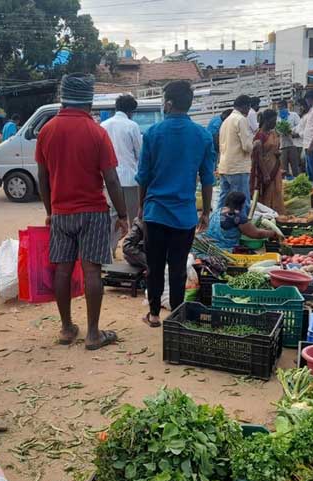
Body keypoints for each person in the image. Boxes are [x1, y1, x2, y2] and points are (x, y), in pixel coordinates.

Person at [35, 73, 128, 350]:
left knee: (62, 271)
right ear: (88, 101)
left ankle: (66, 329)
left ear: (64, 100)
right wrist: (123, 215)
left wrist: (50, 210)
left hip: (62, 212)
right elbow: (111, 178)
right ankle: (92, 334)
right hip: (93, 212)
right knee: (92, 271)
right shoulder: (96, 132)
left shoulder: (47, 131)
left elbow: (42, 176)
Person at [137, 80, 215, 328]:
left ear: (168, 104)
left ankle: (153, 315)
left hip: (156, 212)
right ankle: (178, 316)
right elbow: (208, 178)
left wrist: (142, 208)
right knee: (178, 268)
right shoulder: (202, 135)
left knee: (155, 265)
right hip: (184, 215)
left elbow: (144, 177)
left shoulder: (152, 133)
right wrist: (206, 211)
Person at [101, 94, 142, 228]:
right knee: (134, 217)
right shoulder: (132, 126)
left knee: (113, 218)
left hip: (110, 179)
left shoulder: (103, 125)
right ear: (130, 112)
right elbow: (139, 153)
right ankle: (132, 246)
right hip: (130, 178)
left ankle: (110, 248)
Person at [205, 191, 279, 251]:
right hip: (223, 250)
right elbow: (256, 234)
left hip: (208, 246)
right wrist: (273, 233)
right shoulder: (237, 217)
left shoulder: (217, 211)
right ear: (242, 204)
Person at [217, 94, 254, 213]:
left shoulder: (226, 121)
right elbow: (247, 146)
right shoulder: (241, 120)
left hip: (224, 166)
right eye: (249, 108)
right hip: (238, 167)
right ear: (245, 106)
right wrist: (256, 144)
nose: (249, 111)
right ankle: (243, 226)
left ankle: (216, 224)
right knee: (241, 201)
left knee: (223, 200)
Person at [251, 110, 285, 214]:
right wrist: (265, 174)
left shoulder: (273, 133)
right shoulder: (260, 136)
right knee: (267, 193)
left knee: (277, 191)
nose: (275, 123)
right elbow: (258, 156)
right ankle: (267, 214)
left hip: (274, 166)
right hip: (265, 169)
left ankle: (277, 214)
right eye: (274, 121)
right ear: (267, 121)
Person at [277, 100, 301, 179]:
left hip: (293, 144)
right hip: (282, 145)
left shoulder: (294, 115)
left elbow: (299, 126)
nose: (280, 109)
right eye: (278, 107)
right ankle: (286, 184)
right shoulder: (277, 117)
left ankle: (297, 181)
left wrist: (291, 131)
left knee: (295, 166)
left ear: (286, 106)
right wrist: (280, 131)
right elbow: (276, 129)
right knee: (284, 168)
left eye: (281, 107)